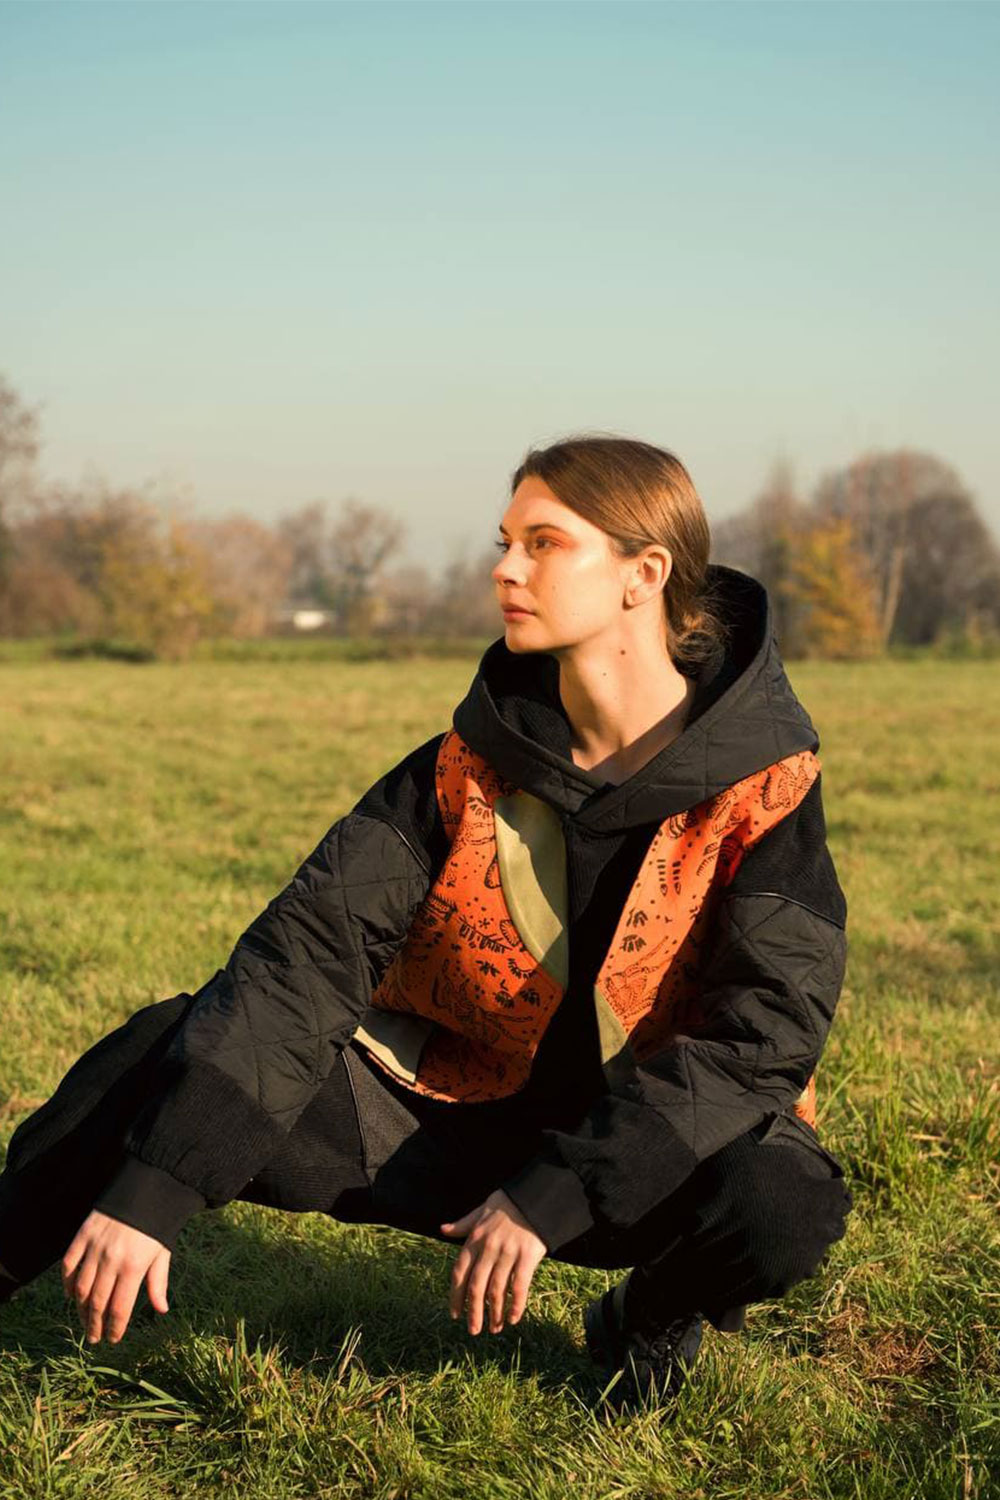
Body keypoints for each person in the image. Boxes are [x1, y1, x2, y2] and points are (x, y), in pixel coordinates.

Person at [0, 435, 853, 1412]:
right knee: (160, 1048)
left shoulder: (767, 789)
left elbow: (763, 1037)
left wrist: (556, 1195)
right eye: (505, 542)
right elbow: (302, 965)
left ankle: (650, 1312)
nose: (505, 569)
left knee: (783, 1203)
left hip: (636, 1151)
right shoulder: (457, 767)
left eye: (544, 543)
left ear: (643, 574)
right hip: (441, 1116)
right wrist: (157, 1182)